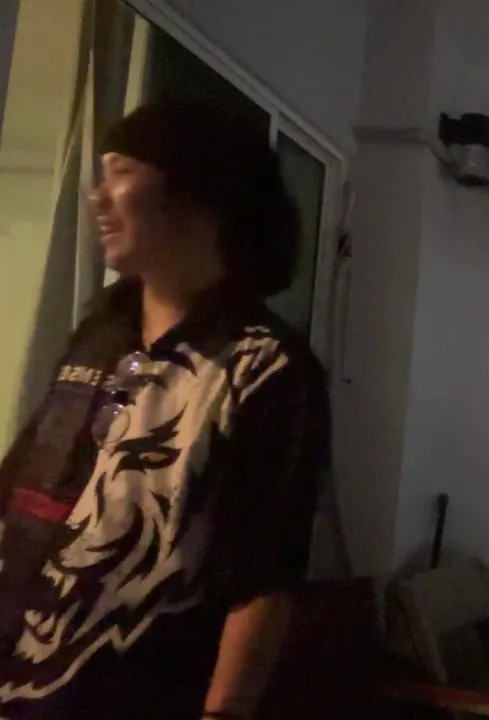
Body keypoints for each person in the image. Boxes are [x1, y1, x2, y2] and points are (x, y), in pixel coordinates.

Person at [0, 98, 331, 719]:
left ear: (197, 192)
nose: (98, 198)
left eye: (122, 173)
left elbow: (264, 580)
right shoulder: (99, 333)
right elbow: (18, 490)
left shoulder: (267, 368)